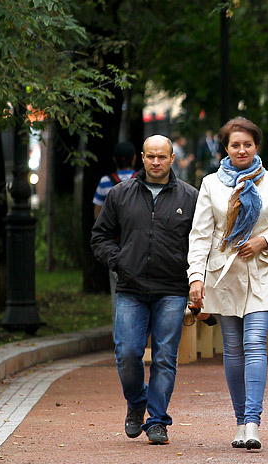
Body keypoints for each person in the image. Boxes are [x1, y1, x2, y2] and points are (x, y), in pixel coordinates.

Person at [187, 117, 268, 451]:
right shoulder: (210, 185)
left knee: (255, 343)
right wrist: (195, 278)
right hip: (224, 277)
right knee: (233, 350)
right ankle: (239, 421)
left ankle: (253, 423)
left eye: (247, 144)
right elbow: (201, 236)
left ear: (256, 147)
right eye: (235, 144)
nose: (242, 150)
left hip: (262, 275)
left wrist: (265, 241)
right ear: (226, 148)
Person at [91, 135, 199, 445]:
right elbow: (100, 237)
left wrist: (194, 280)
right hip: (131, 287)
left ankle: (158, 421)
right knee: (127, 353)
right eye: (150, 156)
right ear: (141, 157)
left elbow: (202, 244)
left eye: (161, 157)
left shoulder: (190, 197)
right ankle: (137, 403)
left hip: (172, 289)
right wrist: (120, 261)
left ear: (172, 158)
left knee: (165, 357)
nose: (155, 162)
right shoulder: (120, 195)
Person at [93, 141, 137, 323]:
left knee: (118, 295)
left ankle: (119, 337)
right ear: (135, 159)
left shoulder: (105, 182)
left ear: (114, 160)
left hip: (116, 248)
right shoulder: (140, 181)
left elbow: (98, 216)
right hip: (138, 247)